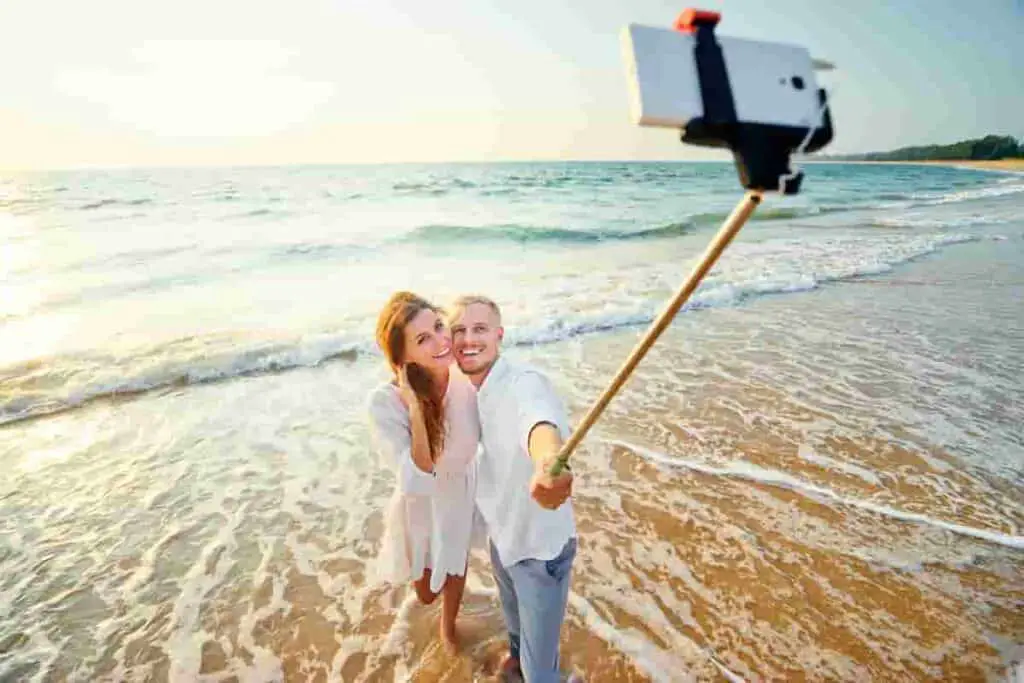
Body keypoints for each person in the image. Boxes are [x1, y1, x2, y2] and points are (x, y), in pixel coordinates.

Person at [448, 295, 576, 682]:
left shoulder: (523, 383)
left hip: (539, 552)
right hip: (503, 539)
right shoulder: (465, 391)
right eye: (459, 331)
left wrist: (549, 462)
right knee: (516, 633)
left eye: (480, 329)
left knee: (541, 673)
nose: (469, 339)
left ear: (500, 335)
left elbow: (539, 422)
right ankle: (516, 661)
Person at [367, 291, 480, 652]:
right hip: (422, 503)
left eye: (438, 326)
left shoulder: (467, 379)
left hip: (461, 489)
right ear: (402, 359)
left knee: (457, 563)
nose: (440, 340)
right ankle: (438, 611)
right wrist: (416, 409)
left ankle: (449, 627)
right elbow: (416, 478)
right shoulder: (384, 404)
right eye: (422, 339)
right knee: (427, 591)